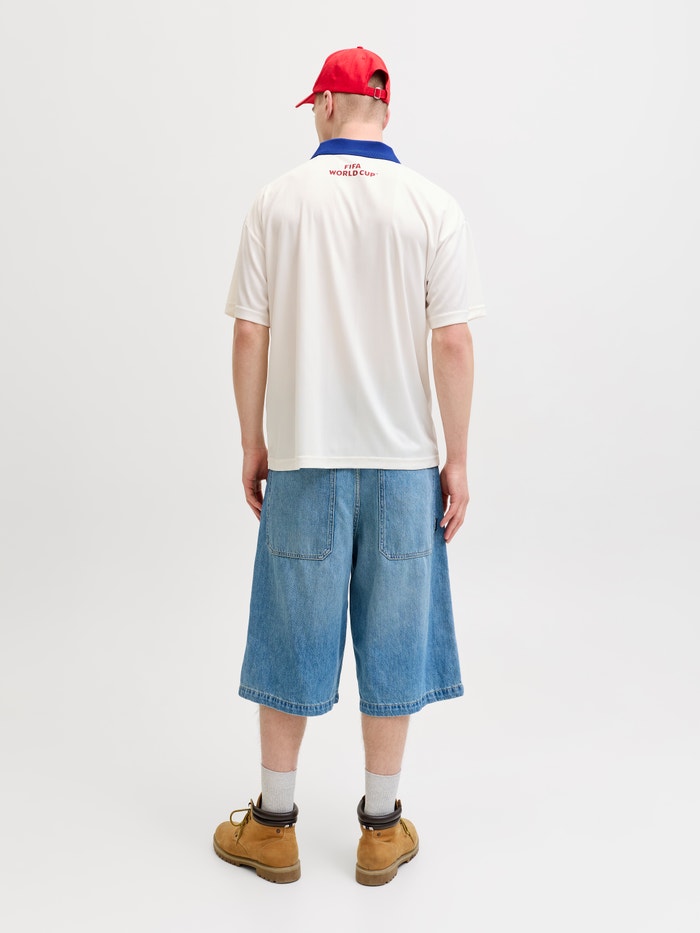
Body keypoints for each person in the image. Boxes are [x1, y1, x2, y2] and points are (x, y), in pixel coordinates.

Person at [213, 46, 485, 886]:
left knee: (289, 633)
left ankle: (274, 824)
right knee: (395, 640)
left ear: (328, 106)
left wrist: (254, 441)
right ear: (384, 110)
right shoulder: (432, 206)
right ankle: (380, 827)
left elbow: (250, 331)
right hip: (405, 465)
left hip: (307, 458)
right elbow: (452, 341)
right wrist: (456, 458)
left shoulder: (278, 201)